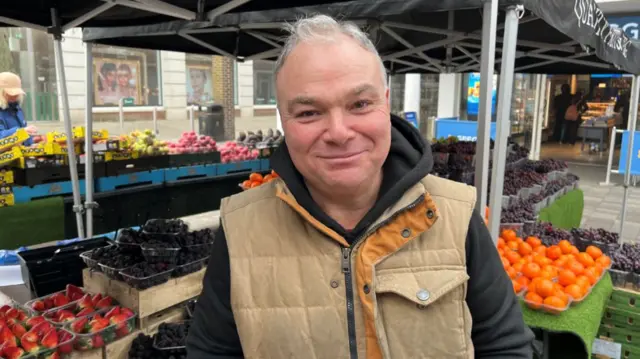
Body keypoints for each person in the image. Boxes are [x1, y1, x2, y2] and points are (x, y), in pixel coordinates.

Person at [186, 15, 534, 358]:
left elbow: (505, 346)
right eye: (308, 112)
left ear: (386, 103)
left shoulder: (453, 212)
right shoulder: (241, 228)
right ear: (283, 119)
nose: (339, 132)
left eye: (360, 104)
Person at [0, 72, 35, 145]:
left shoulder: (17, 109)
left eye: (17, 93)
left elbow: (24, 135)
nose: (15, 96)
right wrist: (19, 132)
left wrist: (32, 142)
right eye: (10, 93)